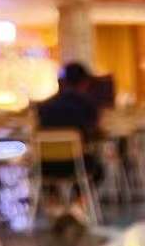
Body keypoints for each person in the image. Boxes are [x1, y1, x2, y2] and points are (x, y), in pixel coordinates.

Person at [35, 62, 101, 234]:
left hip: (45, 167)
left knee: (43, 174)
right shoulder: (87, 105)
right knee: (97, 168)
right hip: (77, 165)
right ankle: (75, 207)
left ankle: (56, 208)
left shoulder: (45, 106)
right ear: (84, 83)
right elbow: (93, 133)